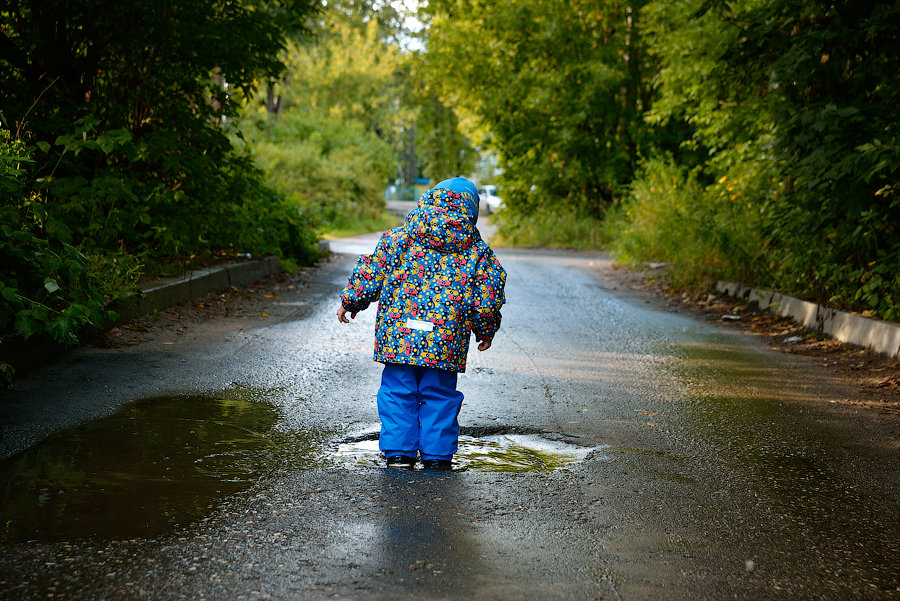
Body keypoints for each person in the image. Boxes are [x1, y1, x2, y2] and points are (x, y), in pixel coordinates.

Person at [337, 177, 507, 471]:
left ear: (428, 201)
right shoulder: (478, 252)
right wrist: (486, 329)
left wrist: (350, 301)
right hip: (445, 340)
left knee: (397, 391)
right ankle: (437, 456)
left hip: (399, 336)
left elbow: (371, 271)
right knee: (440, 393)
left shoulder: (398, 239)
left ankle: (400, 454)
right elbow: (487, 297)